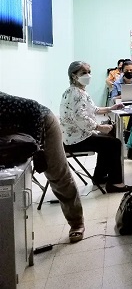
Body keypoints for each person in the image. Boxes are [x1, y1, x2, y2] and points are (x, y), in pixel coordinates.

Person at [0, 92, 85, 243]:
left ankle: (76, 222)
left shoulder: (3, 102)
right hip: (16, 135)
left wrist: (36, 147)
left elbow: (32, 107)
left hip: (43, 123)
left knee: (57, 174)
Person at [60, 61, 132, 194]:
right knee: (114, 143)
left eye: (89, 72)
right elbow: (80, 118)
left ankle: (99, 177)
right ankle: (115, 183)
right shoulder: (76, 94)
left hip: (76, 135)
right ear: (74, 75)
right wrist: (99, 127)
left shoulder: (77, 91)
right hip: (76, 139)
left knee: (108, 141)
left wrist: (111, 108)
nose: (88, 75)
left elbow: (93, 109)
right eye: (83, 73)